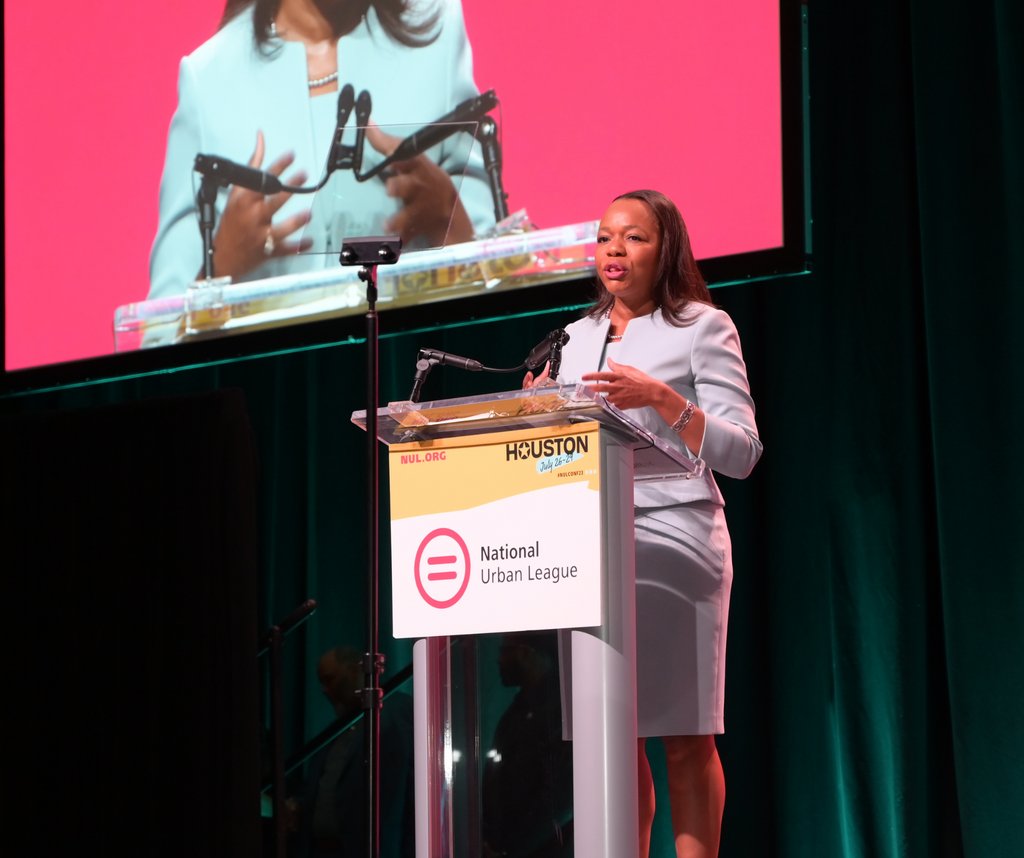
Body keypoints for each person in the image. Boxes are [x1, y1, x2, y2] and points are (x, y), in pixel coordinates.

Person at [523, 189, 762, 858]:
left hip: (678, 546)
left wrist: (659, 398)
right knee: (612, 745)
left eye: (633, 238)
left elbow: (741, 452)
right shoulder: (575, 339)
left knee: (685, 738)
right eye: (603, 239)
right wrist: (537, 412)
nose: (614, 252)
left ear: (668, 250)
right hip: (593, 549)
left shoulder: (703, 327)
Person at [149, 0, 496, 300]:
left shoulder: (435, 31)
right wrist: (222, 265)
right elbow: (160, 341)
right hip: (276, 376)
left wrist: (447, 214)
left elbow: (500, 278)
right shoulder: (208, 79)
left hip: (415, 368)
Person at [289, 645, 415, 858]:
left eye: (331, 679)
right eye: (323, 682)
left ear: (356, 671)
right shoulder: (339, 731)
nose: (325, 690)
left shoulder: (395, 713)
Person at [482, 631, 573, 858]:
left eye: (504, 651)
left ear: (526, 653)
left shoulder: (556, 714)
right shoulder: (524, 710)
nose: (498, 660)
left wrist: (509, 852)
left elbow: (561, 798)